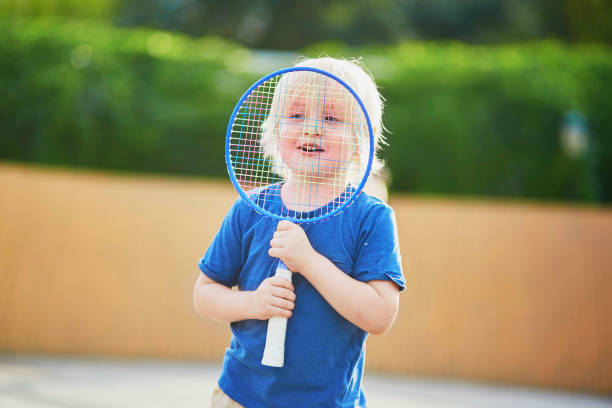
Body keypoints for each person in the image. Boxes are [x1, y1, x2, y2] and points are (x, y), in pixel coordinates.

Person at [193, 56, 405, 408]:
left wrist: (308, 262)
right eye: (295, 115)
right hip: (241, 396)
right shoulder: (249, 208)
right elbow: (205, 294)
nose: (311, 128)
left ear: (360, 140)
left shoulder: (371, 217)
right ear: (275, 130)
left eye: (332, 118)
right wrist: (252, 303)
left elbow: (380, 315)